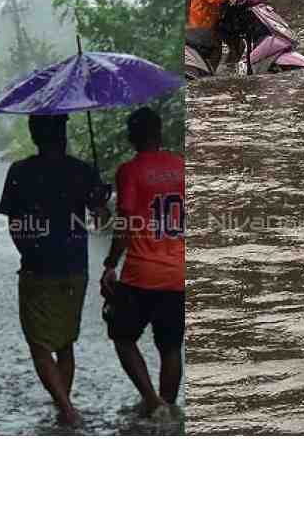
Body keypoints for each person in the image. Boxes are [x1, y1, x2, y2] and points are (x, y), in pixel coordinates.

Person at [0, 114, 108, 427]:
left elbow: (14, 224)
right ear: (63, 133)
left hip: (37, 268)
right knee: (64, 342)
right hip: (75, 267)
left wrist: (27, 252)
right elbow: (102, 220)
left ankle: (67, 410)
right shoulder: (83, 170)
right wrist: (101, 200)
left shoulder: (19, 171)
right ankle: (64, 407)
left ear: (34, 135)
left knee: (39, 344)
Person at [100, 107, 185, 419]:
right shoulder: (183, 167)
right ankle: (169, 407)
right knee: (170, 346)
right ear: (159, 133)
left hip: (141, 274)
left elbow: (126, 223)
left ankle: (152, 402)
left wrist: (110, 263)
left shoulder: (129, 171)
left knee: (122, 337)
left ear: (132, 137)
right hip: (178, 272)